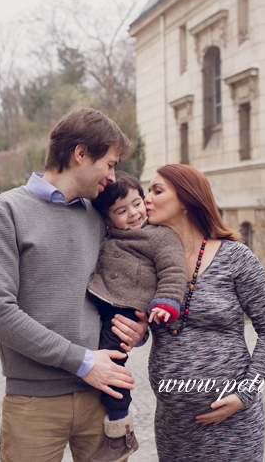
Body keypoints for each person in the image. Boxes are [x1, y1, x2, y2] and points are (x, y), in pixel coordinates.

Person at [0, 106, 149, 462]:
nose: (113, 177)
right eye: (110, 164)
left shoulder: (99, 218)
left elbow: (122, 288)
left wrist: (138, 327)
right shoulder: (5, 212)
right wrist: (82, 362)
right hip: (33, 404)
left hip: (100, 400)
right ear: (80, 154)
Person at [143, 163, 265, 462]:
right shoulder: (148, 261)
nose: (147, 199)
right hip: (174, 425)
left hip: (232, 422)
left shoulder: (235, 258)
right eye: (147, 191)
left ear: (185, 199)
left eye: (157, 191)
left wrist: (245, 395)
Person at [87, 171, 187, 462]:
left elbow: (173, 271)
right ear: (108, 219)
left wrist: (165, 303)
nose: (133, 214)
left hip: (126, 310)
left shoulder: (160, 236)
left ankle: (120, 432)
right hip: (104, 301)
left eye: (136, 204)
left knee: (111, 366)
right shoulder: (109, 235)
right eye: (121, 210)